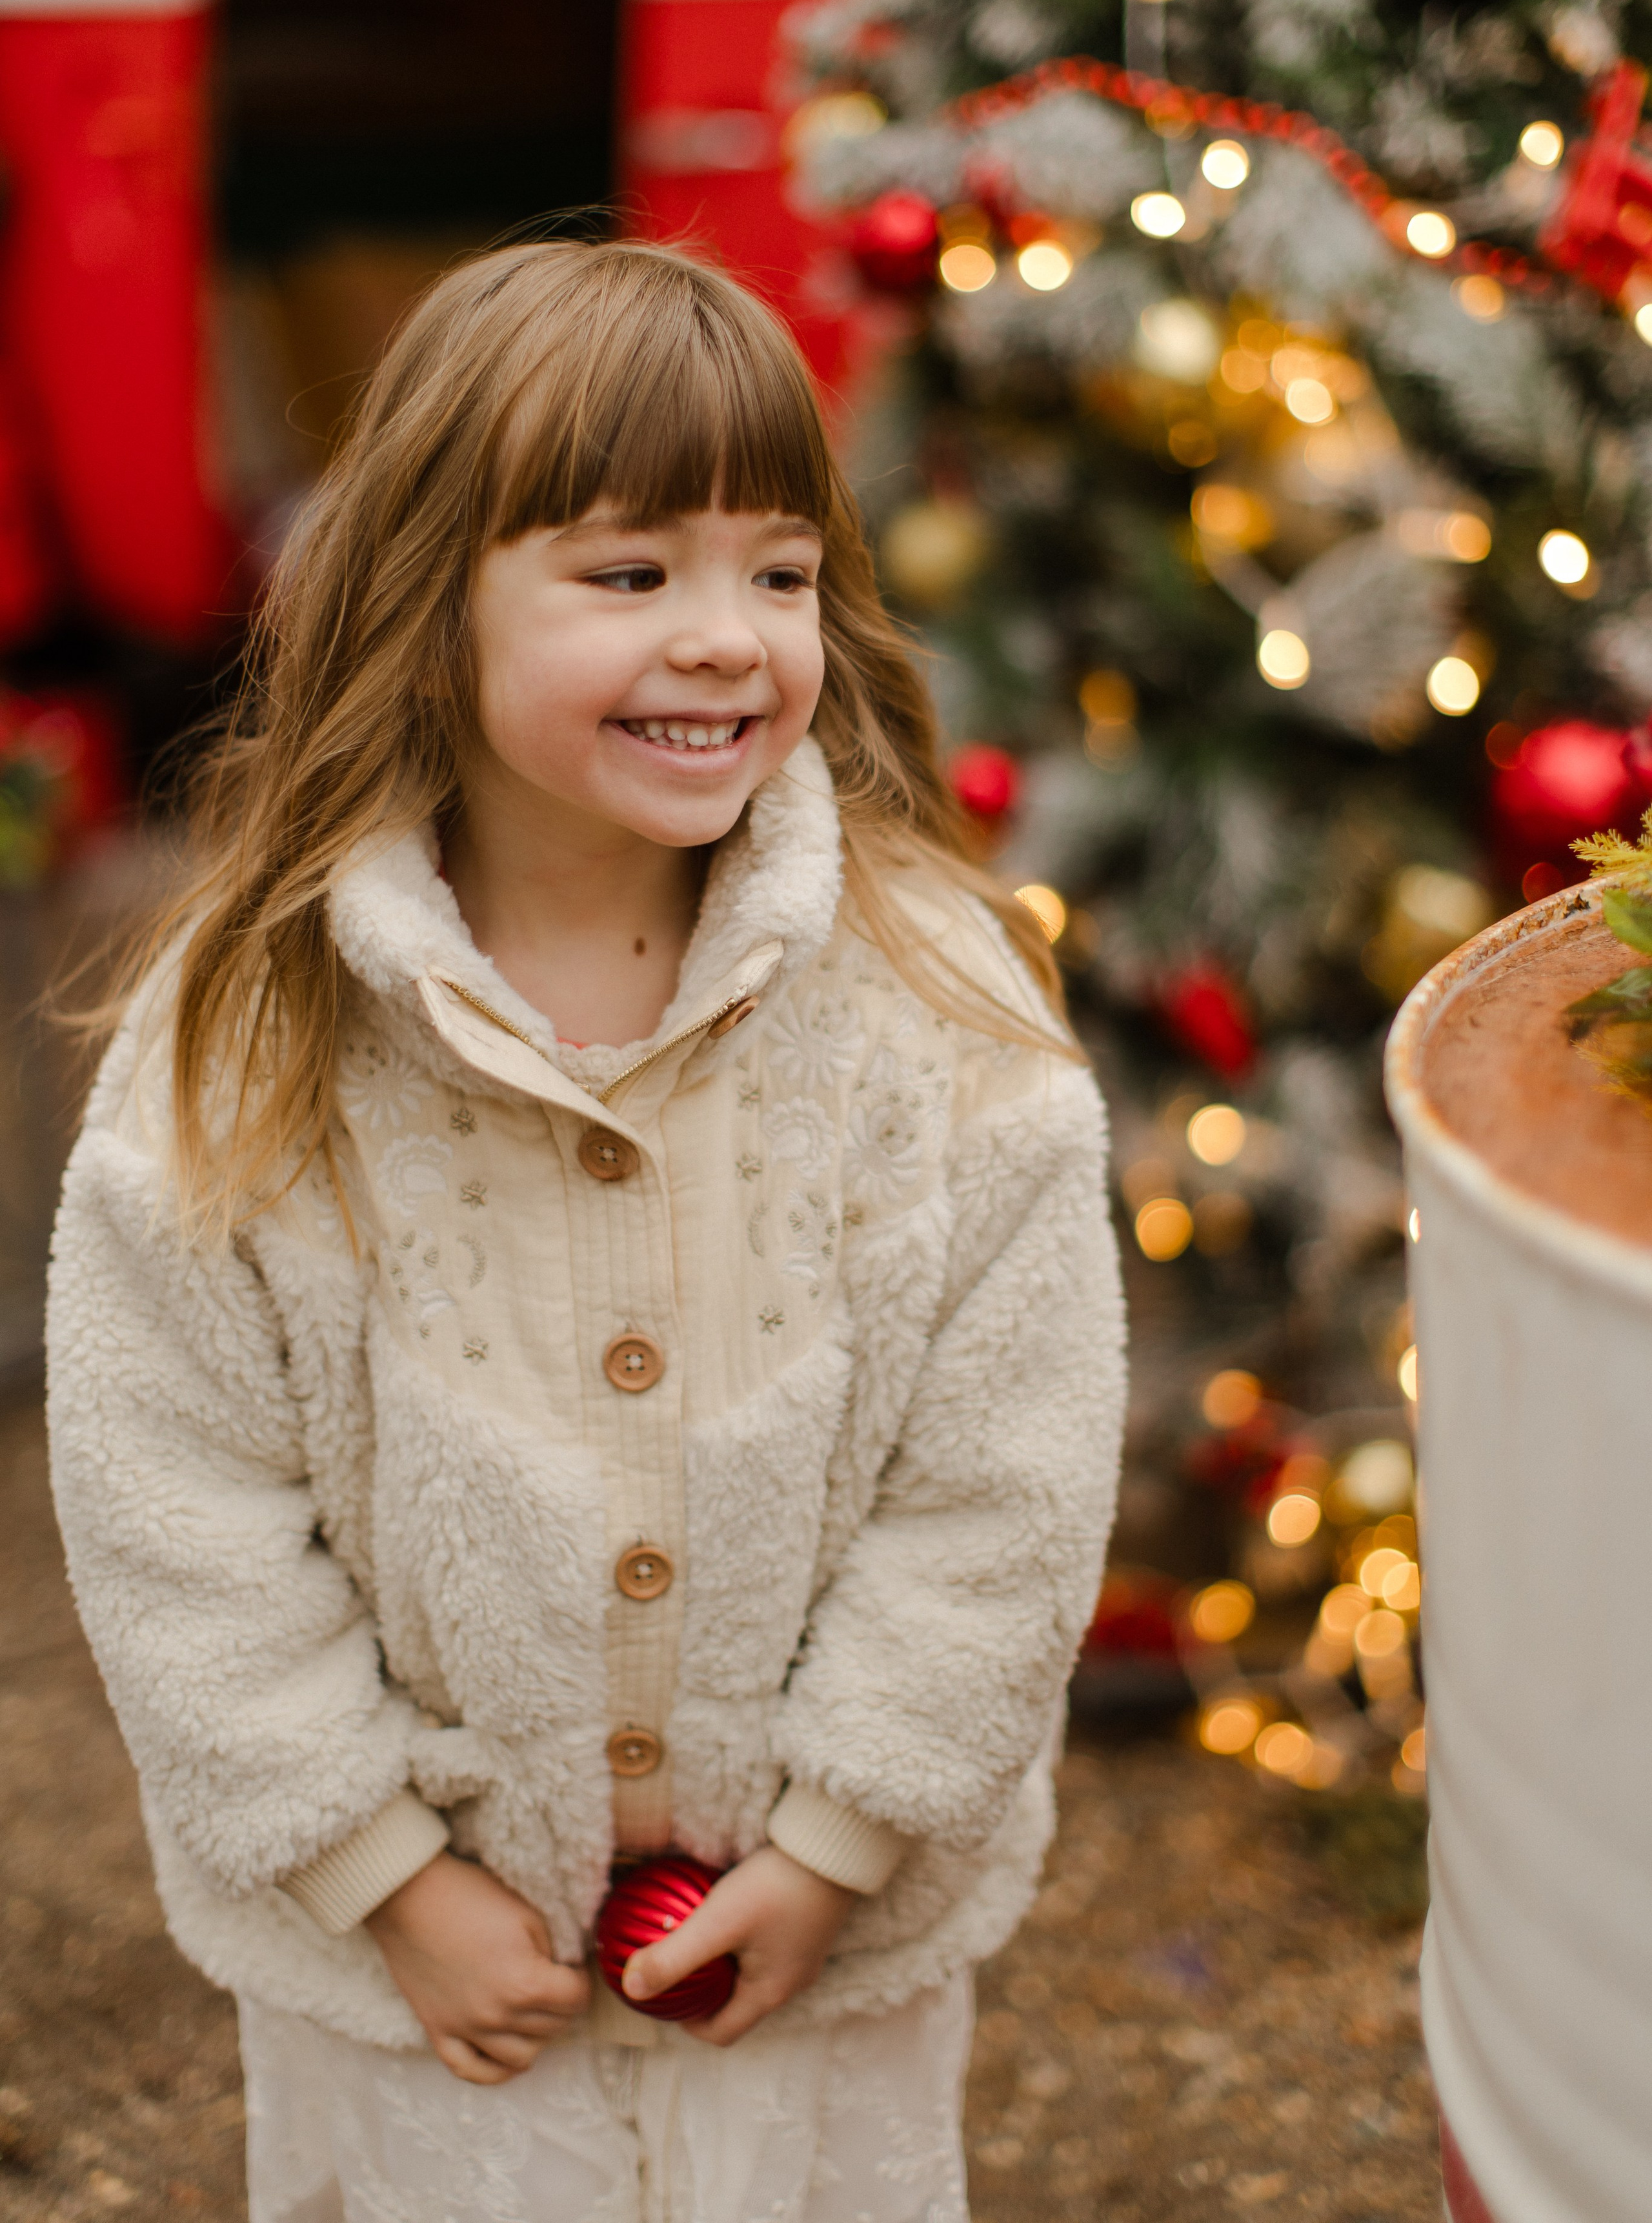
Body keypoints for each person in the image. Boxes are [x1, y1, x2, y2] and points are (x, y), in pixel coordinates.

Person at [46, 240, 1127, 2222]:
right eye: (631, 575)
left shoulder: (935, 1011)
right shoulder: (253, 1037)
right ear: (426, 598)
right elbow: (171, 1496)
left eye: (779, 572)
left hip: (810, 1976)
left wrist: (833, 1848)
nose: (727, 636)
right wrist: (386, 1877)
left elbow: (1008, 1473)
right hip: (441, 1996)